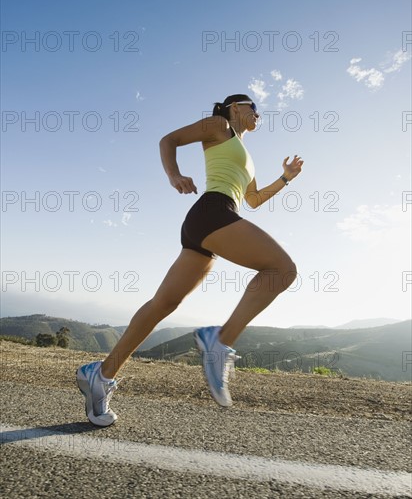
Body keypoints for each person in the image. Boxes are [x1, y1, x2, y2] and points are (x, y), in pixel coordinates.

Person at [76, 94, 304, 426]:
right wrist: (174, 175)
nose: (259, 114)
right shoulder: (219, 125)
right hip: (212, 213)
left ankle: (101, 374)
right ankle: (220, 340)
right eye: (254, 108)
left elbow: (253, 200)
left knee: (162, 304)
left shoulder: (245, 155)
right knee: (282, 270)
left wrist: (285, 179)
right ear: (236, 107)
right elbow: (169, 140)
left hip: (211, 224)